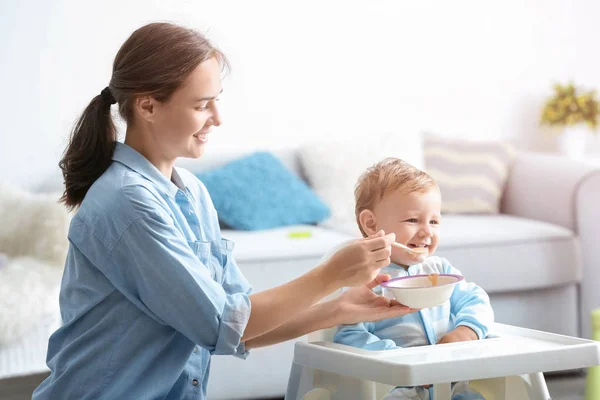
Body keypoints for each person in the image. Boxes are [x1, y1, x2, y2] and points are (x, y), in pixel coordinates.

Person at [32, 22, 416, 399]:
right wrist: (330, 275)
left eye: (217, 100)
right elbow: (221, 324)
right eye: (202, 105)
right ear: (147, 105)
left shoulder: (193, 193)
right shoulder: (127, 203)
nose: (217, 117)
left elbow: (242, 323)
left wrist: (339, 308)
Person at [333, 158, 494, 400]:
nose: (427, 231)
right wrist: (405, 364)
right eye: (412, 220)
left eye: (434, 221)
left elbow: (475, 298)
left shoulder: (439, 269)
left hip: (450, 387)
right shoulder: (366, 279)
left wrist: (465, 331)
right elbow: (349, 337)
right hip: (396, 390)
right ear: (371, 223)